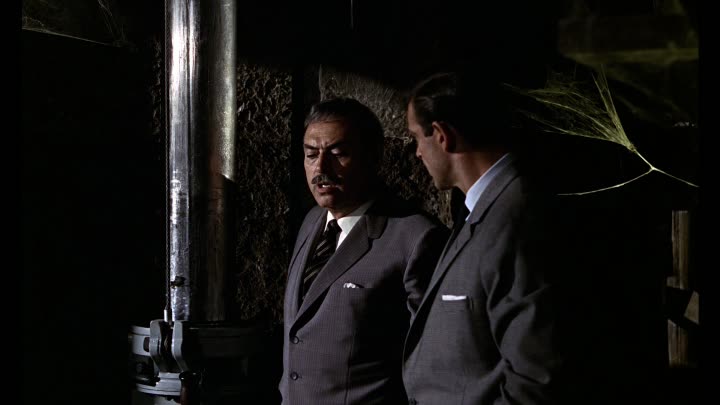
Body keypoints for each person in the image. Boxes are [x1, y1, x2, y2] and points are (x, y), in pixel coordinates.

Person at [402, 71, 570, 404]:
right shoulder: (483, 210)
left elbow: (535, 378)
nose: (417, 153)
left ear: (442, 135)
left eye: (417, 138)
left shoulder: (517, 218)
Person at [279, 97, 449, 405]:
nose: (321, 168)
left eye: (339, 154)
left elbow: (434, 361)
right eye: (311, 154)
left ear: (373, 157)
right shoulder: (312, 222)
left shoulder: (416, 238)